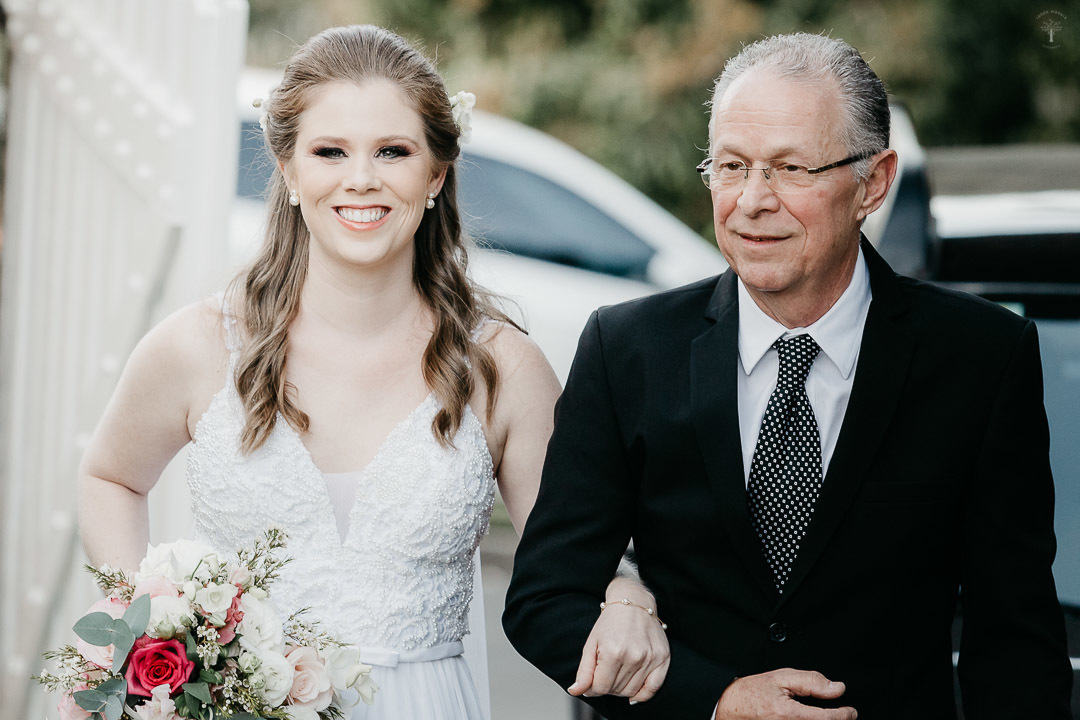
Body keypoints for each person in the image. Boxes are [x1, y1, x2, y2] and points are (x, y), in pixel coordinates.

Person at [77, 24, 668, 720]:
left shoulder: (502, 368)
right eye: (330, 151)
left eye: (394, 151)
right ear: (290, 170)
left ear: (436, 173)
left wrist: (628, 596)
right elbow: (110, 475)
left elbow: (576, 548)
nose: (362, 178)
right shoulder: (200, 345)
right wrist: (143, 618)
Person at [503, 32, 1073, 720]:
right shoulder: (626, 349)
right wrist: (713, 697)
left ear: (874, 181)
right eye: (732, 166)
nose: (751, 200)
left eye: (791, 169)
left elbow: (1013, 638)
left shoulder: (981, 356)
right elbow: (544, 601)